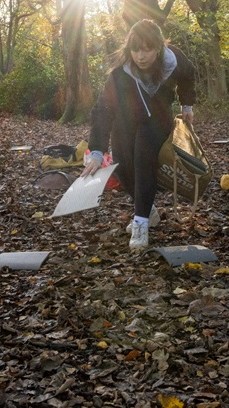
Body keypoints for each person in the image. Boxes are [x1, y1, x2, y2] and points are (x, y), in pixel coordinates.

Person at [81, 19, 196, 250]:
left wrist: (187, 105)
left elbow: (188, 75)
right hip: (126, 121)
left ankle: (141, 222)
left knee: (143, 158)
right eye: (135, 49)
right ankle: (149, 211)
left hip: (157, 119)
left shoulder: (173, 60)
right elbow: (103, 109)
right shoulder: (120, 72)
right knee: (122, 166)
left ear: (158, 47)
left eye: (147, 49)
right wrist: (96, 151)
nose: (141, 56)